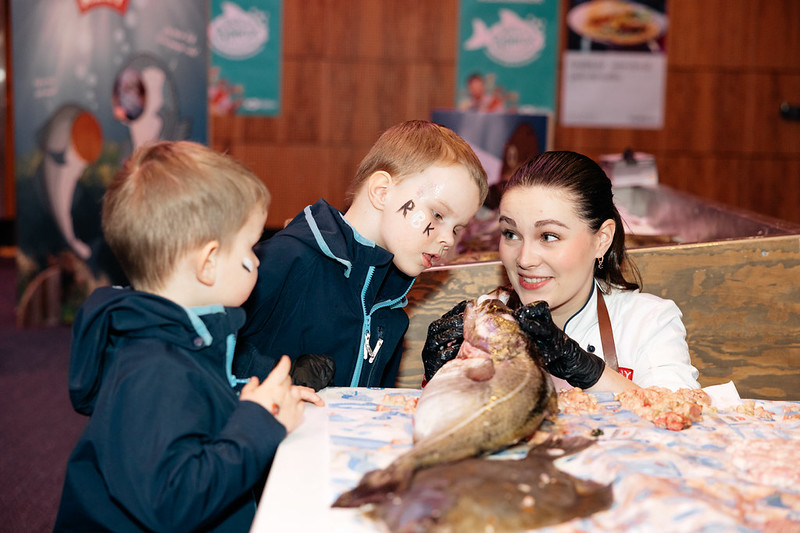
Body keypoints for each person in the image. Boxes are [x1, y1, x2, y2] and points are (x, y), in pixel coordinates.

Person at [54, 141, 323, 532]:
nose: (258, 260)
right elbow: (173, 502)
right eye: (250, 247)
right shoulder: (154, 369)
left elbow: (203, 414)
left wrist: (266, 404)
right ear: (209, 263)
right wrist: (257, 423)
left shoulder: (186, 339)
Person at [233, 120, 488, 389]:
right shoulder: (287, 259)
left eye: (457, 229)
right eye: (437, 214)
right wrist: (280, 378)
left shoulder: (391, 309)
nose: (448, 239)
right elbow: (204, 348)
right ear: (382, 192)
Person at [422, 150, 700, 393]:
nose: (525, 259)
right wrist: (441, 381)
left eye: (549, 236)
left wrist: (585, 369)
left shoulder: (647, 323)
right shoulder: (486, 320)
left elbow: (681, 421)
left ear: (601, 239)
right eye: (511, 233)